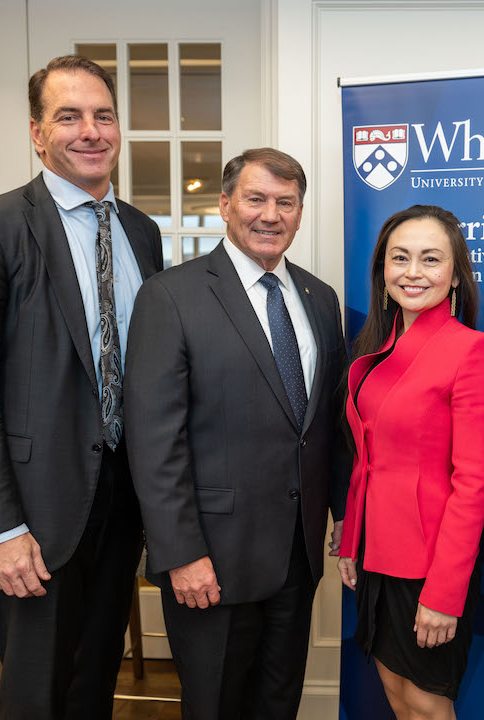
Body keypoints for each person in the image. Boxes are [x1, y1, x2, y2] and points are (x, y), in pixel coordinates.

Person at [0, 55, 163, 718]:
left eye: (103, 116)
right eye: (69, 117)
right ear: (38, 134)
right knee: (36, 693)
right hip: (34, 514)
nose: (90, 131)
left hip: (123, 501)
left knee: (94, 680)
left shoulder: (140, 232)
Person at [124, 147, 350, 719]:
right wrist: (180, 553)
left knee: (278, 704)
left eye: (286, 202)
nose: (270, 215)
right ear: (225, 205)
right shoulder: (170, 296)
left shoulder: (320, 300)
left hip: (297, 556)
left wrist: (347, 516)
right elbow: (155, 441)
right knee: (216, 707)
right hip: (211, 560)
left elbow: (329, 423)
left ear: (300, 213)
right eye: (256, 199)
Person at [336, 205, 484, 718]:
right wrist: (350, 539)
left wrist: (446, 592)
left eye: (431, 259)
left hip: (429, 564)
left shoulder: (473, 350)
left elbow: (473, 483)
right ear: (382, 273)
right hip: (373, 554)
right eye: (399, 258)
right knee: (395, 692)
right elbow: (368, 460)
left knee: (428, 705)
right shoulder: (378, 350)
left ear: (455, 275)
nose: (413, 272)